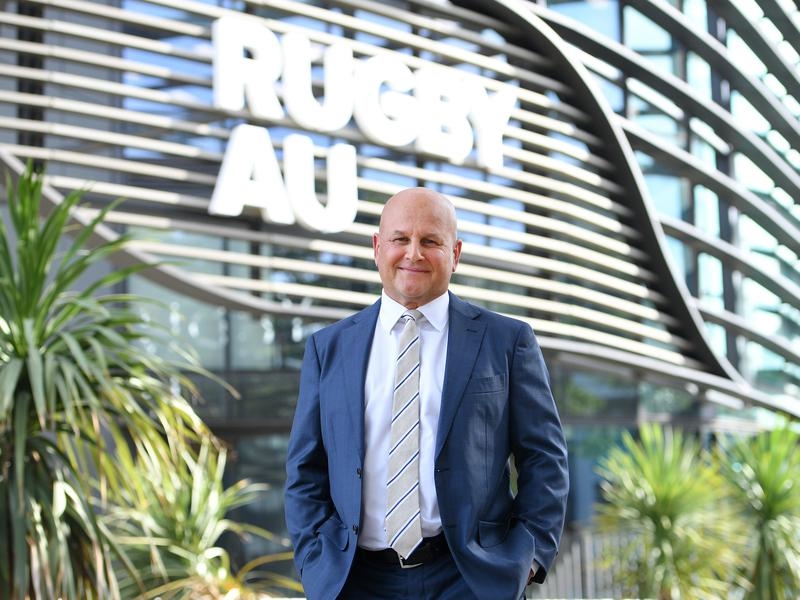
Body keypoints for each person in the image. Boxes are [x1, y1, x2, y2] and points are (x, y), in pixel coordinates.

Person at [284, 187, 569, 600]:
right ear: (377, 248)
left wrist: (528, 559)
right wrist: (315, 562)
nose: (413, 253)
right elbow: (305, 470)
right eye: (400, 239)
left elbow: (544, 458)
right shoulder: (328, 348)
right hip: (356, 582)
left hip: (471, 580)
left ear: (455, 253)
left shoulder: (507, 341)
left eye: (431, 241)